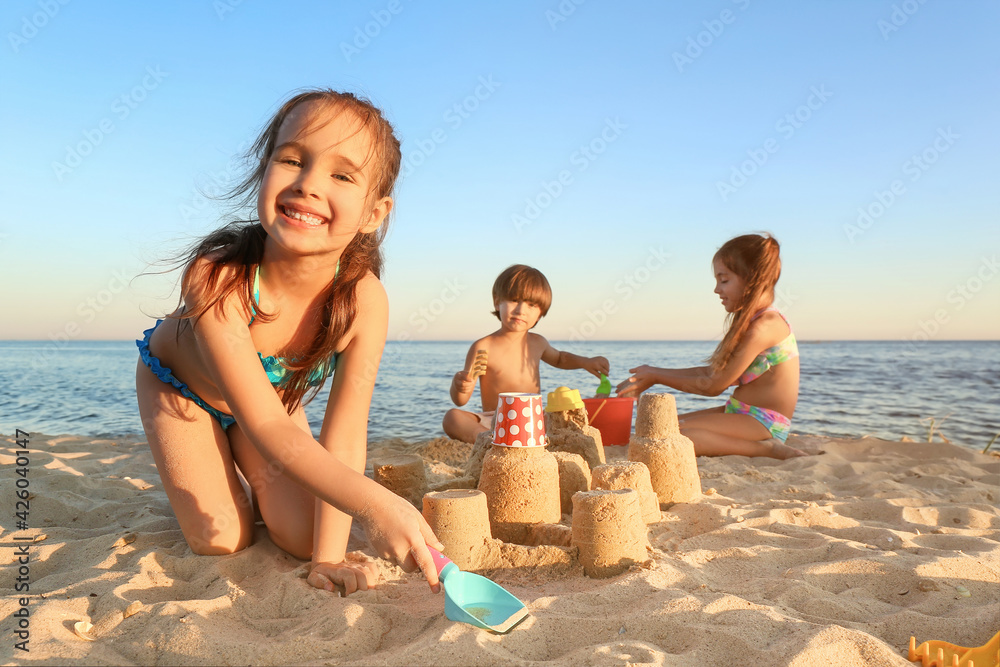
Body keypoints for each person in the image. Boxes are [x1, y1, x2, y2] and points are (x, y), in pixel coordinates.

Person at [135, 89, 443, 596]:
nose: (308, 185)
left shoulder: (365, 301)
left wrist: (328, 559)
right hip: (182, 391)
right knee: (223, 540)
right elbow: (270, 427)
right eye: (293, 160)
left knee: (303, 540)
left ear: (374, 212)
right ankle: (219, 472)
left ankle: (254, 483)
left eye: (342, 175)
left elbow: (343, 433)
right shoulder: (217, 278)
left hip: (272, 406)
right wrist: (375, 503)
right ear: (264, 170)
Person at [617, 233, 806, 459]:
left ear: (752, 279)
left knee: (666, 437)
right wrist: (652, 373)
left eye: (724, 280)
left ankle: (766, 448)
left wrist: (657, 376)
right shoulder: (751, 323)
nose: (717, 289)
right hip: (738, 412)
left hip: (764, 423)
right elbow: (711, 373)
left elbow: (713, 385)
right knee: (657, 427)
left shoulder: (765, 327)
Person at [443, 264, 610, 443]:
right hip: (496, 420)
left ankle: (516, 439)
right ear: (497, 302)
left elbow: (561, 359)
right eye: (514, 300)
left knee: (571, 411)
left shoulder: (538, 343)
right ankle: (486, 440)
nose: (521, 310)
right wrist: (459, 386)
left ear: (540, 314)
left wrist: (585, 362)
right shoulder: (483, 347)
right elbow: (461, 400)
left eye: (531, 305)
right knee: (452, 418)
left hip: (533, 418)